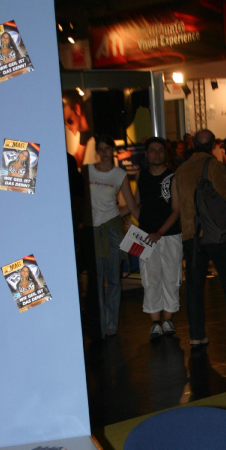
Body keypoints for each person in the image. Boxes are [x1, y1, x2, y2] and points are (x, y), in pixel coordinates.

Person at [174, 129, 226, 344]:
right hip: (214, 233)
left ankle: (196, 335)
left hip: (191, 235)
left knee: (194, 286)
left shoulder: (181, 170)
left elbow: (177, 204)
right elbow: (225, 193)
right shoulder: (214, 165)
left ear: (193, 144)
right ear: (213, 145)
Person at [85, 134, 140, 338]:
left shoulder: (119, 175)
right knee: (97, 280)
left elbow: (131, 205)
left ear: (112, 150)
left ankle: (111, 325)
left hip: (112, 230)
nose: (104, 152)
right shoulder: (88, 171)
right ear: (97, 151)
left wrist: (151, 228)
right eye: (100, 148)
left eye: (107, 148)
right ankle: (99, 323)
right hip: (93, 230)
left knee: (113, 279)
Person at [134, 136, 183, 339]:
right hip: (144, 237)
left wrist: (159, 232)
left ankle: (168, 319)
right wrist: (141, 227)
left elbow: (176, 210)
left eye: (160, 150)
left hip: (170, 235)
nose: (156, 154)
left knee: (172, 277)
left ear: (165, 153)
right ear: (146, 154)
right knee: (149, 278)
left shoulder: (173, 176)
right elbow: (136, 203)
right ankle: (155, 322)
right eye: (152, 150)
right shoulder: (141, 175)